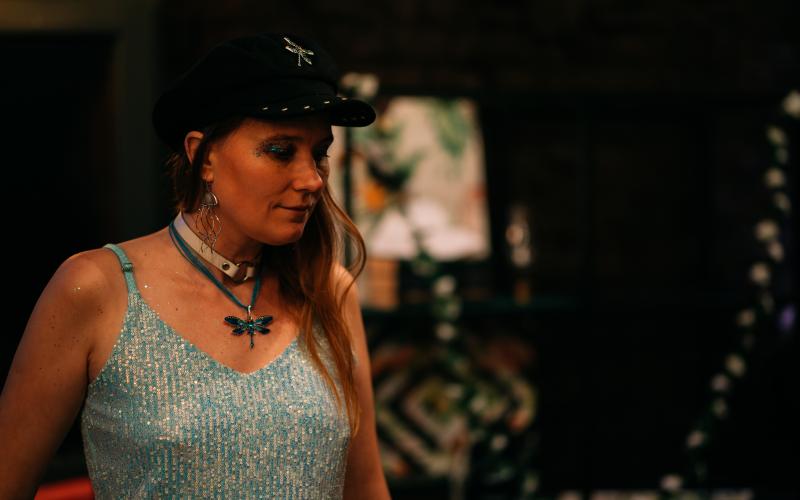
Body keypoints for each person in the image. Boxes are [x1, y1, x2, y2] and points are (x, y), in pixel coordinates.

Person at [0, 32, 391, 499]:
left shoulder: (328, 290)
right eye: (281, 150)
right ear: (202, 156)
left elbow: (366, 488)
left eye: (319, 153)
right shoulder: (97, 289)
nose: (312, 179)